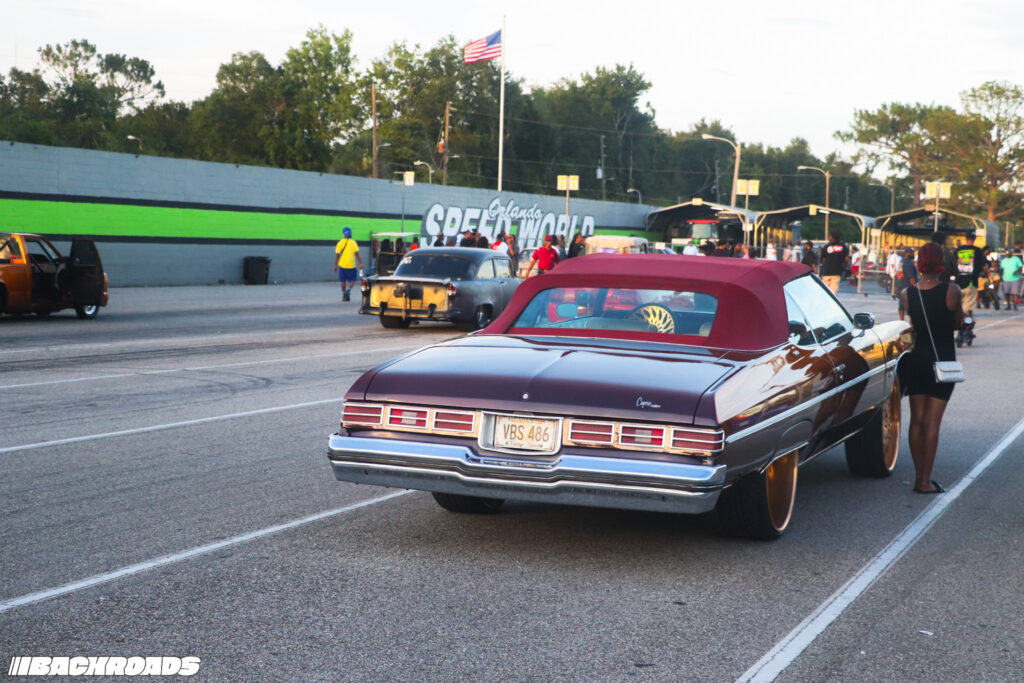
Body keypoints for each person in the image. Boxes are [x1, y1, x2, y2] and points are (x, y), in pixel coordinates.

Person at [897, 242, 963, 494]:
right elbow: (957, 323)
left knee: (916, 421)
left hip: (917, 359)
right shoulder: (952, 290)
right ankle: (925, 481)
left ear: (919, 263)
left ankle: (918, 478)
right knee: (932, 423)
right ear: (940, 263)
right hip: (942, 360)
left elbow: (914, 326)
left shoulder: (907, 294)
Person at [954, 233, 985, 321]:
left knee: (958, 306)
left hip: (958, 283)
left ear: (965, 238)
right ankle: (965, 325)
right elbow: (984, 265)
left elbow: (953, 264)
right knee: (967, 308)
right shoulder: (978, 251)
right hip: (971, 283)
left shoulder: (958, 250)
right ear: (974, 239)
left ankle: (958, 324)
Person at [333, 226, 363, 302]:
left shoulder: (340, 243)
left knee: (342, 281)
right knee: (352, 280)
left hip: (342, 265)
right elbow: (356, 254)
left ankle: (344, 294)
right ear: (350, 233)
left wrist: (335, 265)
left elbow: (337, 255)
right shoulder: (353, 242)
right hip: (351, 266)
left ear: (343, 234)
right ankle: (348, 291)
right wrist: (360, 263)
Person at [896, 247, 917, 317]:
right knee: (911, 306)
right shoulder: (908, 263)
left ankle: (901, 320)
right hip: (907, 286)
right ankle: (911, 321)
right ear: (908, 254)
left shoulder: (901, 261)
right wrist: (916, 287)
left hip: (901, 285)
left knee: (901, 305)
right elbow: (911, 278)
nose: (913, 254)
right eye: (912, 253)